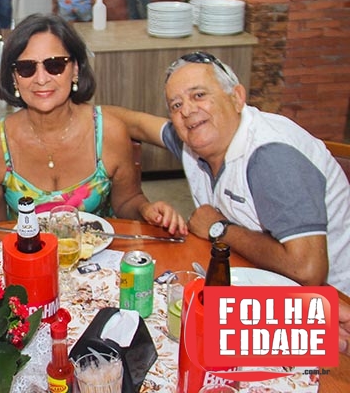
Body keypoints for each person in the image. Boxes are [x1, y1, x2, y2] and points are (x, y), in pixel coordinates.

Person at [106, 51, 350, 294]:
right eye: (176, 105)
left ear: (237, 97)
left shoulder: (271, 157)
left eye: (199, 95)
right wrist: (84, 110)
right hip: (251, 274)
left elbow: (307, 271)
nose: (187, 111)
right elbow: (134, 122)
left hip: (328, 301)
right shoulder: (195, 138)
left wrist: (220, 229)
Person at [0, 14, 187, 234]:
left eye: (55, 65)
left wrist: (146, 210)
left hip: (100, 267)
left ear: (75, 69)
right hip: (29, 267)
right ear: (14, 77)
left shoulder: (109, 133)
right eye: (27, 68)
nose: (41, 79)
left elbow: (128, 201)